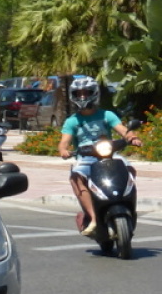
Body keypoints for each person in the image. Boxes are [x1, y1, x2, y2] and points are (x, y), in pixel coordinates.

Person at [58, 78, 142, 237]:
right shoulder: (72, 121)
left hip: (110, 153)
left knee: (130, 169)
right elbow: (64, 142)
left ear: (94, 94)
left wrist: (132, 138)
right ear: (73, 95)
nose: (82, 97)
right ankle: (94, 218)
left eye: (86, 93)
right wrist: (64, 150)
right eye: (79, 93)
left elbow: (123, 130)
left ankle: (128, 204)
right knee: (76, 177)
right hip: (85, 157)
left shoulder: (107, 115)